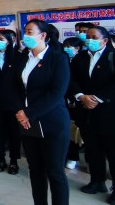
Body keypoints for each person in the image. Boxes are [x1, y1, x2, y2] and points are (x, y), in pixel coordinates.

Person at [13, 19, 70, 205]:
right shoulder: (23, 57)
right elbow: (16, 88)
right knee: (35, 169)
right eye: (25, 32)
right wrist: (21, 112)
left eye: (30, 32)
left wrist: (28, 113)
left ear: (43, 35)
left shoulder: (58, 58)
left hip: (51, 122)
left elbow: (57, 93)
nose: (26, 36)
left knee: (55, 171)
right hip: (28, 122)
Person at [69, 25, 115, 204]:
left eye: (94, 37)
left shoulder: (112, 55)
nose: (89, 40)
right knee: (93, 149)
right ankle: (97, 181)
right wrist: (81, 96)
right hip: (85, 111)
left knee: (112, 151)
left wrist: (97, 98)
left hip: (108, 112)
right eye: (88, 36)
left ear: (105, 40)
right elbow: (71, 79)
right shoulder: (80, 57)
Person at [0, 29, 21, 175]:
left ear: (10, 41)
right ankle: (1, 159)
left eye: (2, 39)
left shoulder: (18, 57)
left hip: (13, 103)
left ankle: (14, 161)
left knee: (14, 133)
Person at [62, 36, 83, 170]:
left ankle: (75, 157)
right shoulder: (62, 60)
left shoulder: (81, 61)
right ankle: (68, 156)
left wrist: (76, 97)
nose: (66, 49)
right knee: (67, 131)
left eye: (69, 47)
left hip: (78, 101)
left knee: (76, 131)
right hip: (64, 101)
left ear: (78, 48)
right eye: (65, 46)